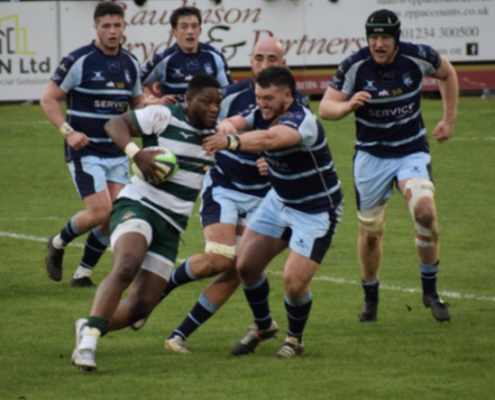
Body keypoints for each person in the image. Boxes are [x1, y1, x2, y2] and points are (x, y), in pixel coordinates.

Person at [130, 37, 309, 355]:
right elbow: (214, 125)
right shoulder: (232, 95)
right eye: (258, 58)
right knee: (219, 258)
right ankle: (159, 291)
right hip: (224, 186)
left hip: (264, 198)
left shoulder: (296, 105)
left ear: (283, 64)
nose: (264, 65)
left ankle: (181, 335)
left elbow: (292, 142)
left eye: (272, 59)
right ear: (250, 61)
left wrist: (276, 157)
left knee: (238, 268)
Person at [71, 74, 222, 371]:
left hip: (172, 225)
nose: (214, 108)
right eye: (207, 102)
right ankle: (87, 346)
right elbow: (115, 124)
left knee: (142, 305)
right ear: (188, 100)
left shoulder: (215, 138)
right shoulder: (162, 116)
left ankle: (88, 325)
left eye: (218, 102)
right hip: (139, 204)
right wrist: (136, 153)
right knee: (127, 264)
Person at [318, 9, 458, 323]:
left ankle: (430, 292)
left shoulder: (417, 57)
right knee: (370, 234)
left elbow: (448, 74)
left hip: (411, 152)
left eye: (384, 37)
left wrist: (448, 120)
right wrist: (348, 105)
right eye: (373, 37)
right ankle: (371, 297)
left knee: (425, 212)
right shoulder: (355, 66)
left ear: (396, 38)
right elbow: (326, 108)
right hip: (370, 157)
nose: (378, 44)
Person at [203, 66, 344, 359]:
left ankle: (294, 339)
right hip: (279, 201)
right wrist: (218, 128)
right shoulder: (262, 113)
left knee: (293, 284)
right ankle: (264, 325)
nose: (262, 103)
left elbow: (269, 140)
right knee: (246, 266)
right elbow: (234, 122)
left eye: (268, 98)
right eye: (258, 97)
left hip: (316, 210)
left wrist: (230, 141)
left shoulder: (301, 120)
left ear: (288, 95)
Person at [41, 2, 147, 287]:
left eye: (117, 25)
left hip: (116, 151)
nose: (112, 31)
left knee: (118, 213)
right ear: (96, 28)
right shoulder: (80, 60)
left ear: (124, 27)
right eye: (106, 26)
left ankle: (83, 273)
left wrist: (155, 105)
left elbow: (138, 102)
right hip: (85, 150)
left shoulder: (131, 64)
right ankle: (59, 241)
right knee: (101, 211)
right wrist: (68, 131)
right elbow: (48, 98)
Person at [140, 6, 233, 105]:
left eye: (194, 26)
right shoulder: (163, 59)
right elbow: (135, 83)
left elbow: (229, 92)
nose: (190, 32)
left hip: (206, 119)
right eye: (184, 27)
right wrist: (154, 100)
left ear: (200, 30)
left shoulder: (215, 56)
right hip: (175, 119)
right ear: (174, 32)